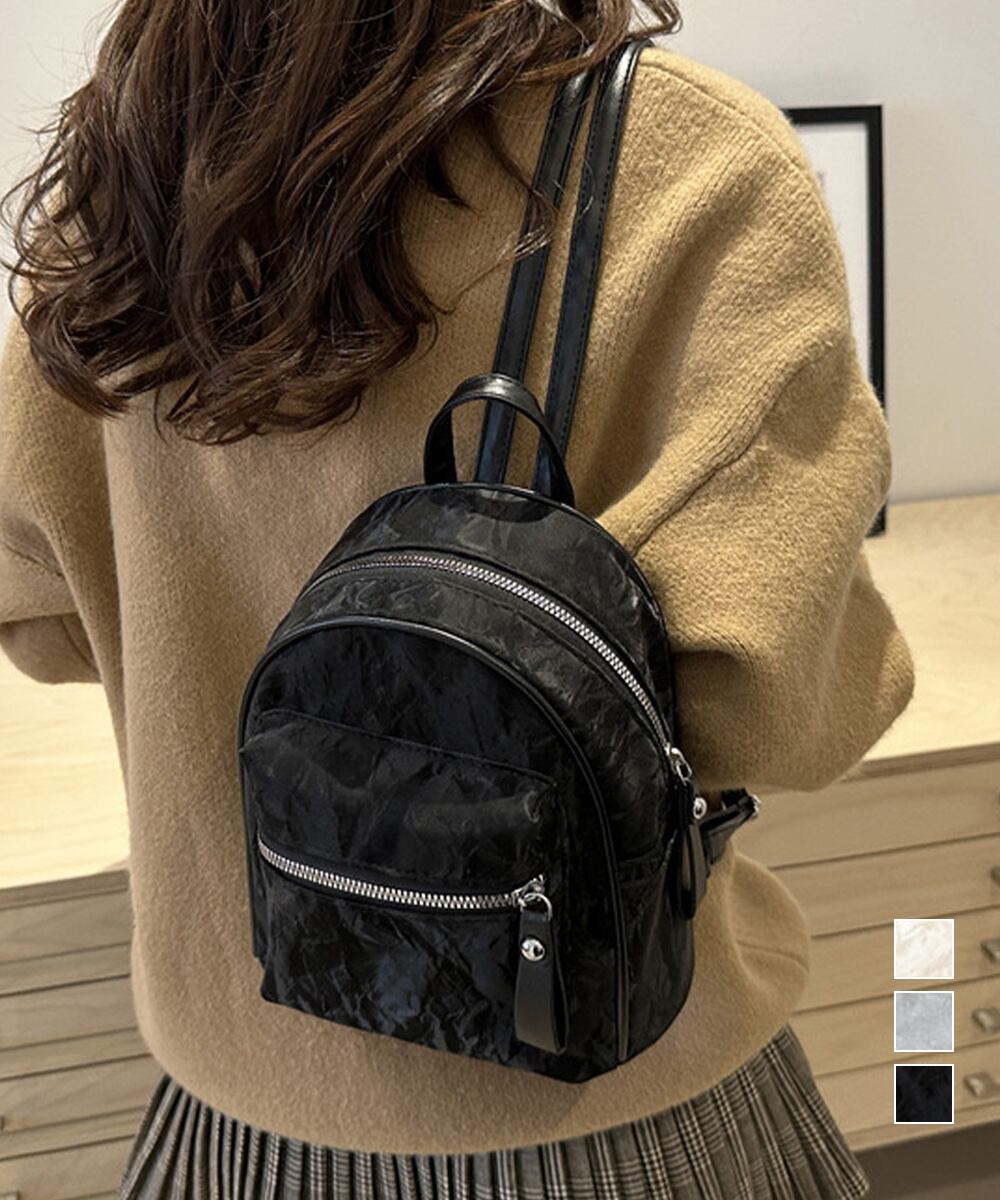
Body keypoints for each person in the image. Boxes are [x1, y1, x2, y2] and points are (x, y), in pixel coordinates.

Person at [0, 2, 915, 1196]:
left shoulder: (131, 169)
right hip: (626, 1120)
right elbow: (779, 714)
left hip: (235, 1124)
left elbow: (46, 619)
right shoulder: (689, 163)